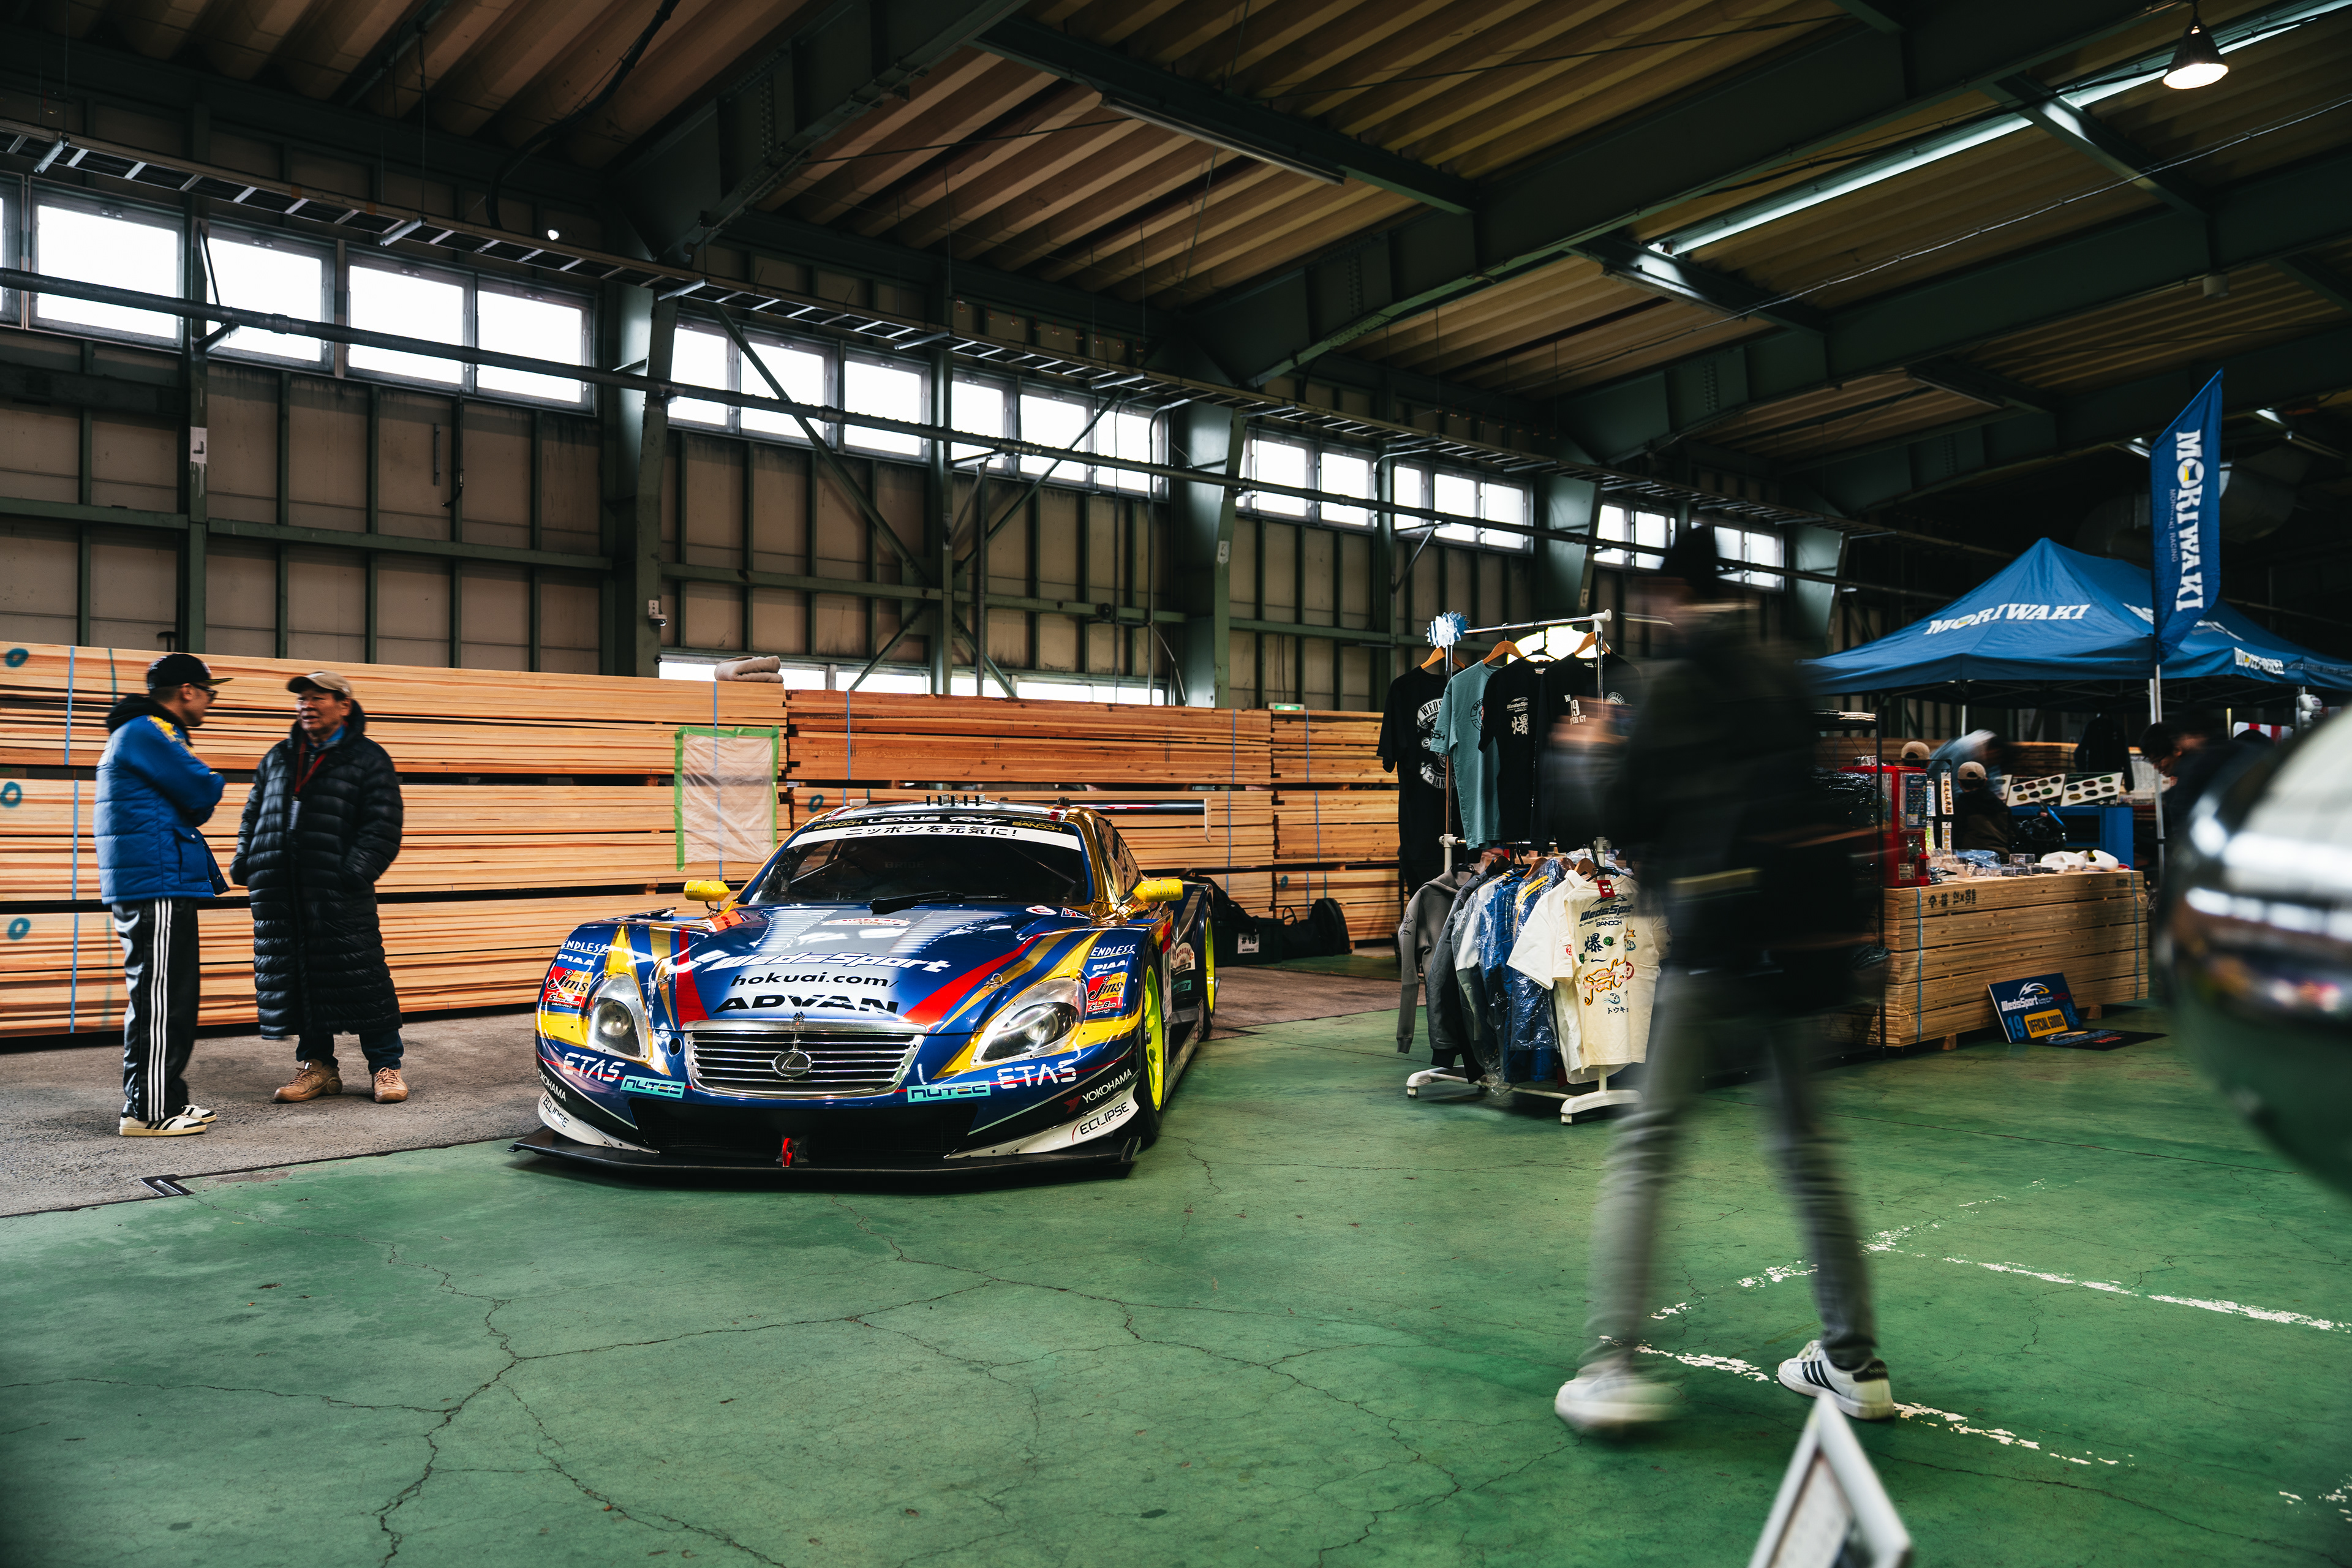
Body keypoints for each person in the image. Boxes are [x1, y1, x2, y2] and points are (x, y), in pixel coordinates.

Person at [1553, 527, 1890, 1433]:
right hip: (1800, 950)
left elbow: (1629, 813)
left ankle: (1614, 1367)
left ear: (1669, 594)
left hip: (1714, 945)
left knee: (1649, 1144)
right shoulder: (1783, 671)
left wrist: (1590, 751)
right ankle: (1855, 1362)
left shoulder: (1676, 684)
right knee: (1808, 1153)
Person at [232, 671, 411, 1104]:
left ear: (344, 705)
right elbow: (253, 812)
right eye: (302, 699)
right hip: (281, 893)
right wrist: (245, 861)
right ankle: (319, 1067)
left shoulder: (367, 758)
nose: (306, 705)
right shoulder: (280, 756)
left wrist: (352, 874)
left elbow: (383, 825)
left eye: (317, 698)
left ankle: (385, 1066)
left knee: (363, 977)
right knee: (301, 981)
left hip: (337, 892)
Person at [97, 654, 232, 1136]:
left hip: (160, 878)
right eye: (210, 693)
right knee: (159, 999)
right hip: (155, 882)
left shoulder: (145, 731)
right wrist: (209, 781)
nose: (211, 702)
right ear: (188, 691)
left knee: (172, 996)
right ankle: (148, 1111)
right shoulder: (148, 730)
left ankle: (167, 1097)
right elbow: (202, 790)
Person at [1951, 760, 2011, 853]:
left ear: (1960, 783)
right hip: (2000, 857)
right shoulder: (2003, 807)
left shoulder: (1958, 807)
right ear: (1985, 781)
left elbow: (1955, 837)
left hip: (1969, 859)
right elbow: (2013, 835)